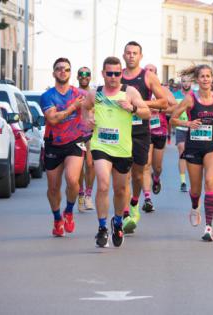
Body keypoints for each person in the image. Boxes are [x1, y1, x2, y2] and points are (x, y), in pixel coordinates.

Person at [82, 56, 150, 247]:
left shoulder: (129, 92)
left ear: (121, 74)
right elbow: (85, 108)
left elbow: (147, 112)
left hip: (122, 148)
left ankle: (118, 221)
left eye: (117, 73)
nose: (113, 77)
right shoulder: (95, 94)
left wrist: (133, 108)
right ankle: (102, 227)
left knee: (120, 189)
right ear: (103, 74)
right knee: (103, 185)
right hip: (100, 145)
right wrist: (87, 119)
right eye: (109, 73)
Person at [171, 64, 213, 242]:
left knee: (209, 182)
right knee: (196, 189)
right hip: (193, 147)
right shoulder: (190, 99)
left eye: (209, 76)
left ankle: (208, 227)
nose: (206, 79)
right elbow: (172, 120)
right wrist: (187, 124)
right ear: (197, 80)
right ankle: (194, 206)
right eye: (203, 77)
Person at [121, 41, 167, 233]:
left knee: (139, 175)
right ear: (124, 55)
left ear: (141, 56)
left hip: (141, 132)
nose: (131, 56)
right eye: (128, 53)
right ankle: (125, 214)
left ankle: (134, 203)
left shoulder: (148, 77)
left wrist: (139, 103)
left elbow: (163, 102)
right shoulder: (116, 76)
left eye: (135, 53)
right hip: (121, 132)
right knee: (124, 175)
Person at [40, 57, 85, 237]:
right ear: (53, 73)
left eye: (66, 69)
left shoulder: (79, 93)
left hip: (75, 140)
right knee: (53, 187)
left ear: (70, 72)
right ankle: (58, 218)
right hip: (54, 143)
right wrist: (73, 107)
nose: (62, 72)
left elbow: (93, 106)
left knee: (72, 180)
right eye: (59, 69)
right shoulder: (48, 96)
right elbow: (53, 119)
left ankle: (69, 211)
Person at [139, 64, 172, 213]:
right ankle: (147, 198)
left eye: (152, 71)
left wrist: (158, 109)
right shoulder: (139, 90)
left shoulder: (163, 91)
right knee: (146, 164)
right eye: (147, 71)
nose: (149, 73)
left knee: (157, 167)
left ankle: (156, 178)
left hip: (160, 131)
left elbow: (175, 107)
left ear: (156, 75)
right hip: (145, 131)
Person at [76, 67, 96, 212]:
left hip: (91, 132)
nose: (84, 77)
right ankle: (80, 194)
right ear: (77, 77)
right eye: (81, 74)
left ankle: (88, 195)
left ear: (90, 77)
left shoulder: (94, 93)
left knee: (90, 164)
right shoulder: (73, 92)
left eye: (87, 74)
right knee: (78, 168)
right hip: (76, 133)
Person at [172, 74, 193, 192]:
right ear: (181, 82)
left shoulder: (194, 95)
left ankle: (193, 180)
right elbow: (170, 110)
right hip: (180, 126)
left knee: (192, 155)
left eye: (188, 81)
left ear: (191, 82)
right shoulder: (175, 96)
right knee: (182, 149)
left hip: (193, 128)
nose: (186, 83)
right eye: (184, 81)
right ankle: (183, 181)